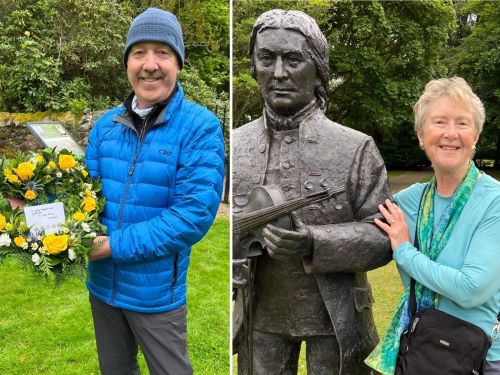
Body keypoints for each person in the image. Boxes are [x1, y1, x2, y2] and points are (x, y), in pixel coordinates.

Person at [232, 9, 392, 375]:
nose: (278, 73)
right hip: (260, 316)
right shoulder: (236, 145)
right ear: (254, 66)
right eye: (266, 58)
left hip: (335, 320)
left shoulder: (355, 148)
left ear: (317, 67)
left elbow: (384, 237)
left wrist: (314, 242)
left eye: (292, 59)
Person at [84, 7, 224, 375]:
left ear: (177, 62)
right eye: (138, 52)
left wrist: (114, 246)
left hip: (156, 295)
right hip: (102, 288)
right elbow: (82, 199)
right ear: (127, 62)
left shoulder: (200, 128)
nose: (149, 64)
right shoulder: (104, 127)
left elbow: (191, 217)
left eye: (162, 52)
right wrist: (33, 208)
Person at [365, 77, 500, 374]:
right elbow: (354, 220)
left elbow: (471, 288)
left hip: (479, 358)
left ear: (475, 136)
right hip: (421, 350)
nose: (451, 133)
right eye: (439, 121)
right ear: (420, 135)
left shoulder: (494, 202)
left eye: (462, 124)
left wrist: (404, 251)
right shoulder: (409, 202)